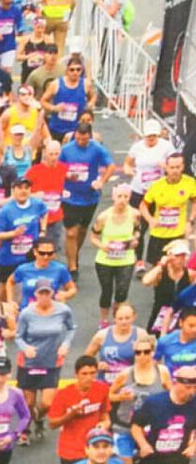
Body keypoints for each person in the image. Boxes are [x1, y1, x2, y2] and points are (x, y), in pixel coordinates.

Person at [107, 334, 170, 464]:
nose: (142, 356)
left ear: (152, 352)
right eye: (138, 352)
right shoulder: (125, 374)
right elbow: (109, 395)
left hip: (149, 429)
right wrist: (121, 397)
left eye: (146, 352)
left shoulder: (162, 372)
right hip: (125, 427)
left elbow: (170, 395)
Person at [14, 281, 76, 443]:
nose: (44, 296)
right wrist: (26, 348)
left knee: (47, 403)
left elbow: (71, 328)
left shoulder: (63, 310)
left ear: (52, 293)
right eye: (41, 293)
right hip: (29, 362)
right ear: (35, 294)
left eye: (47, 293)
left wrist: (65, 344)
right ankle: (25, 430)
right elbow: (18, 336)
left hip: (51, 361)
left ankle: (38, 417)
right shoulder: (26, 313)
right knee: (28, 402)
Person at [59, 121, 114, 277]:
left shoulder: (97, 149)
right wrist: (66, 175)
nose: (80, 142)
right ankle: (72, 267)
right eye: (78, 138)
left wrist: (101, 181)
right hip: (70, 196)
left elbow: (111, 166)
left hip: (89, 196)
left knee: (82, 231)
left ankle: (74, 253)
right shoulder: (67, 149)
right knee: (71, 233)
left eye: (84, 139)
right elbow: (58, 167)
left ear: (89, 136)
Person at [122, 119, 174, 272]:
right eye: (148, 136)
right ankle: (139, 261)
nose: (151, 139)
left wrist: (165, 167)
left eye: (154, 136)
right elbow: (127, 163)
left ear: (158, 135)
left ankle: (157, 260)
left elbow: (175, 165)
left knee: (158, 226)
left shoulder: (166, 147)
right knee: (139, 227)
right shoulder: (137, 147)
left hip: (159, 194)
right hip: (139, 191)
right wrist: (129, 171)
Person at [90, 185, 143, 324]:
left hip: (126, 259)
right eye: (119, 196)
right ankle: (104, 320)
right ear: (113, 197)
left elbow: (137, 230)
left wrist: (135, 239)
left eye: (126, 197)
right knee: (106, 291)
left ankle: (118, 318)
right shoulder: (103, 217)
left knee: (122, 292)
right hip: (105, 260)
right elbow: (93, 237)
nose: (122, 200)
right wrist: (102, 246)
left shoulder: (135, 214)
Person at [47, 356, 112, 464]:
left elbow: (104, 413)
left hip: (94, 447)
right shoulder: (63, 394)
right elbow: (52, 424)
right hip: (71, 450)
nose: (89, 378)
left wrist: (106, 423)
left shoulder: (102, 389)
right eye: (84, 374)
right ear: (76, 374)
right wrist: (71, 415)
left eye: (92, 373)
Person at [140, 153, 196, 267]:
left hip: (178, 234)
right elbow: (143, 206)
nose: (175, 170)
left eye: (178, 167)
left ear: (183, 167)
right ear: (166, 168)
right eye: (172, 167)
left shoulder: (189, 183)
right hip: (158, 235)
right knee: (158, 269)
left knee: (178, 268)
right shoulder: (157, 185)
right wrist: (150, 219)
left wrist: (190, 221)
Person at [0, 177, 48, 283]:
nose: (23, 191)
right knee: (6, 286)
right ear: (13, 190)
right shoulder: (6, 210)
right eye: (20, 188)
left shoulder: (37, 204)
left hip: (30, 256)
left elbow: (44, 213)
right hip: (10, 257)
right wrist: (14, 233)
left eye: (26, 188)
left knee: (30, 285)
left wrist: (43, 231)